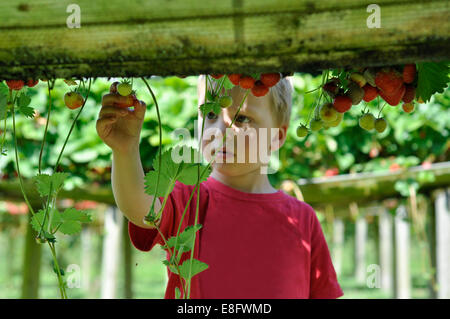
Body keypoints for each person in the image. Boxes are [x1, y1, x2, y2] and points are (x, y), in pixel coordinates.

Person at [96, 74, 344, 299]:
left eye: (242, 118)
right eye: (211, 114)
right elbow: (141, 209)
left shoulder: (303, 219)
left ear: (277, 137)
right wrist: (125, 151)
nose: (221, 130)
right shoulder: (189, 197)